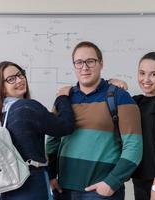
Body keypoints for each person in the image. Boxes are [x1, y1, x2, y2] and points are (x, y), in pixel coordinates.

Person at [46, 41, 143, 200]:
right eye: (79, 62)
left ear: (101, 63)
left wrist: (112, 182)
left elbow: (134, 145)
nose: (84, 67)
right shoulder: (64, 99)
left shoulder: (120, 97)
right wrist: (50, 176)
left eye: (90, 61)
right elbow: (52, 142)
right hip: (64, 191)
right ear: (74, 66)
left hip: (101, 192)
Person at [0, 61, 75, 200]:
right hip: (31, 184)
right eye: (11, 79)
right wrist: (63, 98)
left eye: (20, 74)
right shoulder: (27, 107)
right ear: (1, 87)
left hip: (9, 188)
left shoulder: (1, 115)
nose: (20, 80)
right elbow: (65, 126)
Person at [111, 52, 155, 200]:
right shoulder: (136, 101)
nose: (146, 79)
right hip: (142, 180)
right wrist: (112, 83)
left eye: (153, 74)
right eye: (142, 73)